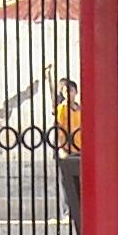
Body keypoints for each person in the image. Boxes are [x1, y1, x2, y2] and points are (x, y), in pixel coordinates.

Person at [52, 76, 82, 224]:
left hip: (79, 149)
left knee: (79, 182)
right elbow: (59, 130)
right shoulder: (61, 109)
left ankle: (80, 211)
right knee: (66, 183)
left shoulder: (80, 109)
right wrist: (61, 148)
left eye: (71, 90)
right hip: (66, 150)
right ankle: (67, 212)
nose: (69, 93)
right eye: (65, 91)